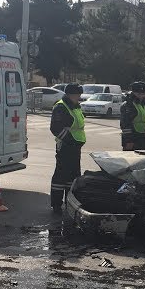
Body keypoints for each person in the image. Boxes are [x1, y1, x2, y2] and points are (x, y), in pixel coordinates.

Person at [50, 83, 85, 214]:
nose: (79, 97)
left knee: (73, 177)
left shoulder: (75, 106)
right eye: (77, 95)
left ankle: (69, 202)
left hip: (75, 146)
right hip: (66, 146)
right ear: (70, 95)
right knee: (61, 176)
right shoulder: (61, 107)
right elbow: (55, 128)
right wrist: (70, 140)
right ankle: (56, 204)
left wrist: (76, 142)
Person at [120, 81, 145, 151]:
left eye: (143, 93)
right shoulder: (128, 105)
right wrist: (129, 141)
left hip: (144, 138)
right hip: (133, 139)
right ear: (133, 92)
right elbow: (125, 124)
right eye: (138, 93)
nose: (141, 95)